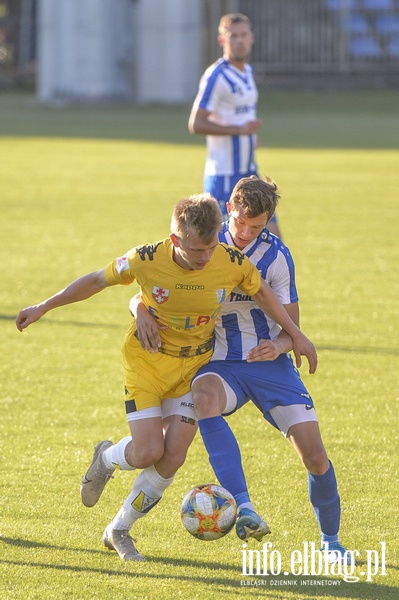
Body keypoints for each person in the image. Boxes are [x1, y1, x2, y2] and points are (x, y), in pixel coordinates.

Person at [16, 192, 316, 562]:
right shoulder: (146, 258)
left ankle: (119, 530)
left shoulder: (230, 260)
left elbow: (264, 293)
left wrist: (295, 335)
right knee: (146, 452)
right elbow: (97, 280)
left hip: (192, 368)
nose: (207, 258)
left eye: (211, 248)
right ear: (176, 240)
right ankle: (107, 458)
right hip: (148, 363)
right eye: (197, 251)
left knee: (172, 456)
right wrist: (44, 306)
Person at [134, 177, 351, 564]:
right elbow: (155, 285)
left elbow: (292, 329)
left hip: (270, 365)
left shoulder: (277, 257)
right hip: (217, 361)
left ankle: (331, 543)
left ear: (269, 221)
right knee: (203, 398)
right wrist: (139, 308)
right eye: (240, 223)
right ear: (228, 210)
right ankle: (245, 507)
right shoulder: (201, 243)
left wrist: (280, 344)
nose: (247, 232)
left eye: (258, 226)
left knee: (315, 458)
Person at [188, 13, 282, 238]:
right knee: (224, 250)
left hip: (249, 171)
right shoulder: (216, 76)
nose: (239, 41)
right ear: (222, 40)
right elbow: (196, 124)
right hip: (224, 174)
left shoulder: (247, 72)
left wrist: (249, 139)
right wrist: (239, 132)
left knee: (272, 241)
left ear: (252, 38)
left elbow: (241, 115)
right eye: (233, 36)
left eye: (243, 35)